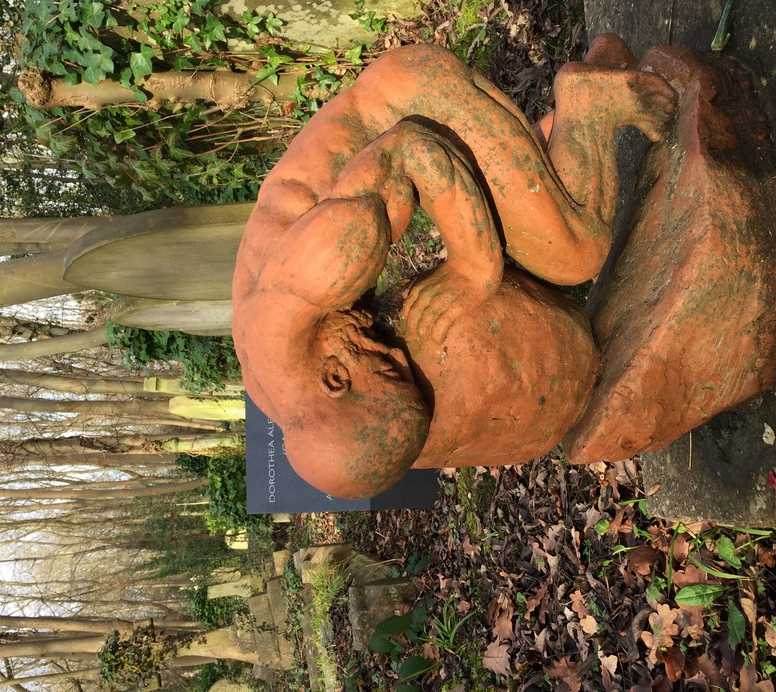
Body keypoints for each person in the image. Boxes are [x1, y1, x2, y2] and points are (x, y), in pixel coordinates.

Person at [232, 36, 676, 498]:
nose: (402, 354)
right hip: (399, 141)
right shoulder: (282, 396)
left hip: (417, 100)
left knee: (575, 251)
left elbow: (412, 149)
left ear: (336, 377)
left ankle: (587, 104)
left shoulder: (328, 260)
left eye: (390, 369)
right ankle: (569, 128)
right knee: (530, 220)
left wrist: (473, 267)